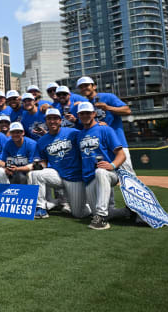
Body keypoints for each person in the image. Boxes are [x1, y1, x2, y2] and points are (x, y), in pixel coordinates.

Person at [29, 108, 90, 220]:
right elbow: (43, 161)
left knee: (78, 214)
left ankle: (88, 206)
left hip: (75, 177)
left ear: (60, 120)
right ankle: (41, 208)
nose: (52, 121)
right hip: (58, 176)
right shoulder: (42, 141)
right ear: (46, 121)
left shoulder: (72, 133)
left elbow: (87, 132)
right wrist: (40, 165)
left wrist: (99, 124)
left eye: (55, 118)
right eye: (49, 119)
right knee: (35, 174)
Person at [76, 102, 126, 230]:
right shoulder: (79, 135)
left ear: (94, 114)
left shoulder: (105, 129)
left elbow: (121, 155)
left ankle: (101, 219)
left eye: (88, 113)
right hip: (89, 178)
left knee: (100, 172)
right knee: (101, 211)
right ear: (78, 116)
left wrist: (112, 165)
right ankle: (128, 212)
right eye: (82, 113)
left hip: (108, 174)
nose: (85, 115)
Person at [77, 76, 133, 172]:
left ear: (94, 86)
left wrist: (108, 108)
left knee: (128, 176)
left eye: (86, 85)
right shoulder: (85, 104)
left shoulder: (108, 97)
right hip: (100, 147)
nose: (84, 88)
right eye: (81, 87)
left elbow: (127, 110)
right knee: (103, 177)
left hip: (117, 143)